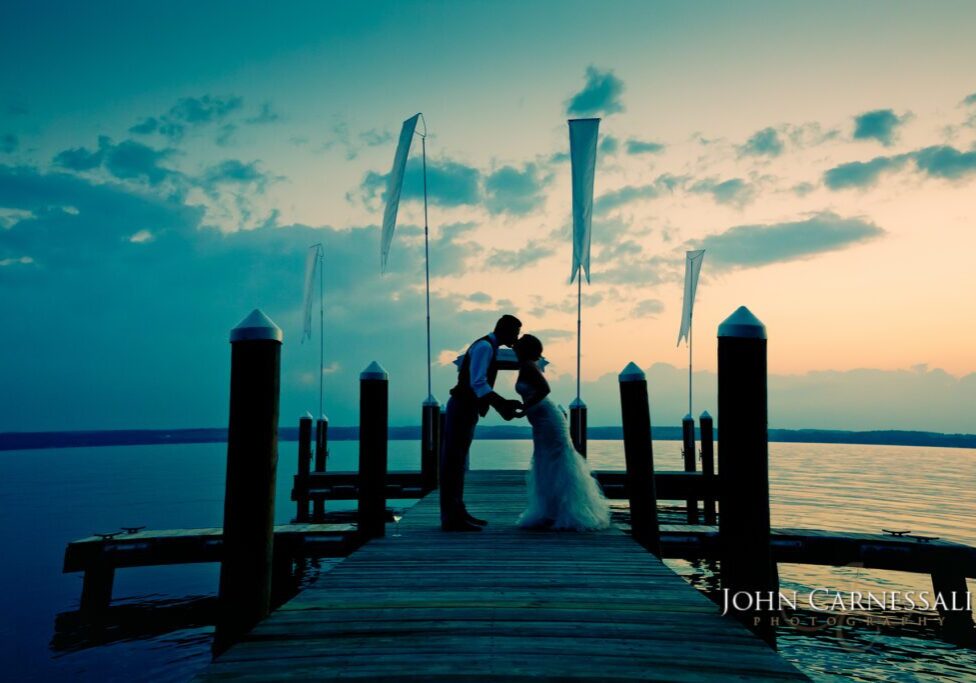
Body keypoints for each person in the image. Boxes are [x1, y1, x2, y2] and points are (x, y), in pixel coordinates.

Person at [514, 334, 610, 531]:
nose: (514, 348)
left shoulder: (529, 366)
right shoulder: (527, 365)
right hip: (541, 421)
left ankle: (568, 512)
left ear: (523, 350)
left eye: (518, 346)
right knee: (545, 462)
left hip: (548, 420)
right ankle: (550, 511)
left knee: (557, 461)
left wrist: (525, 408)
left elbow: (544, 389)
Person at [440, 314, 525, 532]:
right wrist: (503, 405)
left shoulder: (488, 346)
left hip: (467, 407)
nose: (517, 337)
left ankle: (458, 511)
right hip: (462, 407)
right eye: (516, 332)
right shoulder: (485, 347)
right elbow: (477, 382)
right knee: (454, 462)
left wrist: (502, 405)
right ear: (505, 330)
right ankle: (452, 518)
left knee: (458, 462)